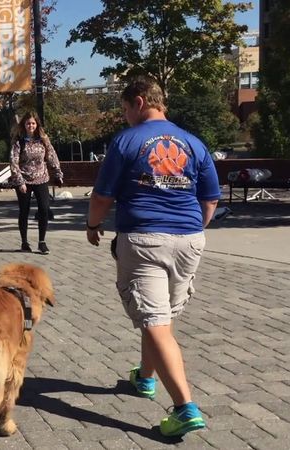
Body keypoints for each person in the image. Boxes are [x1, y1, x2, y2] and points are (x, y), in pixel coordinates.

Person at [86, 78, 220, 437]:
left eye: (126, 108)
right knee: (160, 318)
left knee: (156, 322)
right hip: (190, 240)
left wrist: (92, 225)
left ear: (140, 102)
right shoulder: (193, 143)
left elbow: (101, 197)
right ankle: (145, 378)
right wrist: (191, 230)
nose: (125, 115)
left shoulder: (126, 141)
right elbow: (210, 200)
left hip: (144, 239)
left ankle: (184, 407)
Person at [8, 111, 63, 255]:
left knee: (44, 209)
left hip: (41, 178)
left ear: (36, 124)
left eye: (33, 123)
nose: (30, 125)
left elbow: (52, 156)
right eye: (28, 123)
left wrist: (58, 173)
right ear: (24, 125)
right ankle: (24, 242)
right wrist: (20, 181)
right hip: (24, 180)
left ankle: (42, 242)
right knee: (24, 211)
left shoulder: (43, 139)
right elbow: (13, 162)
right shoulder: (19, 142)